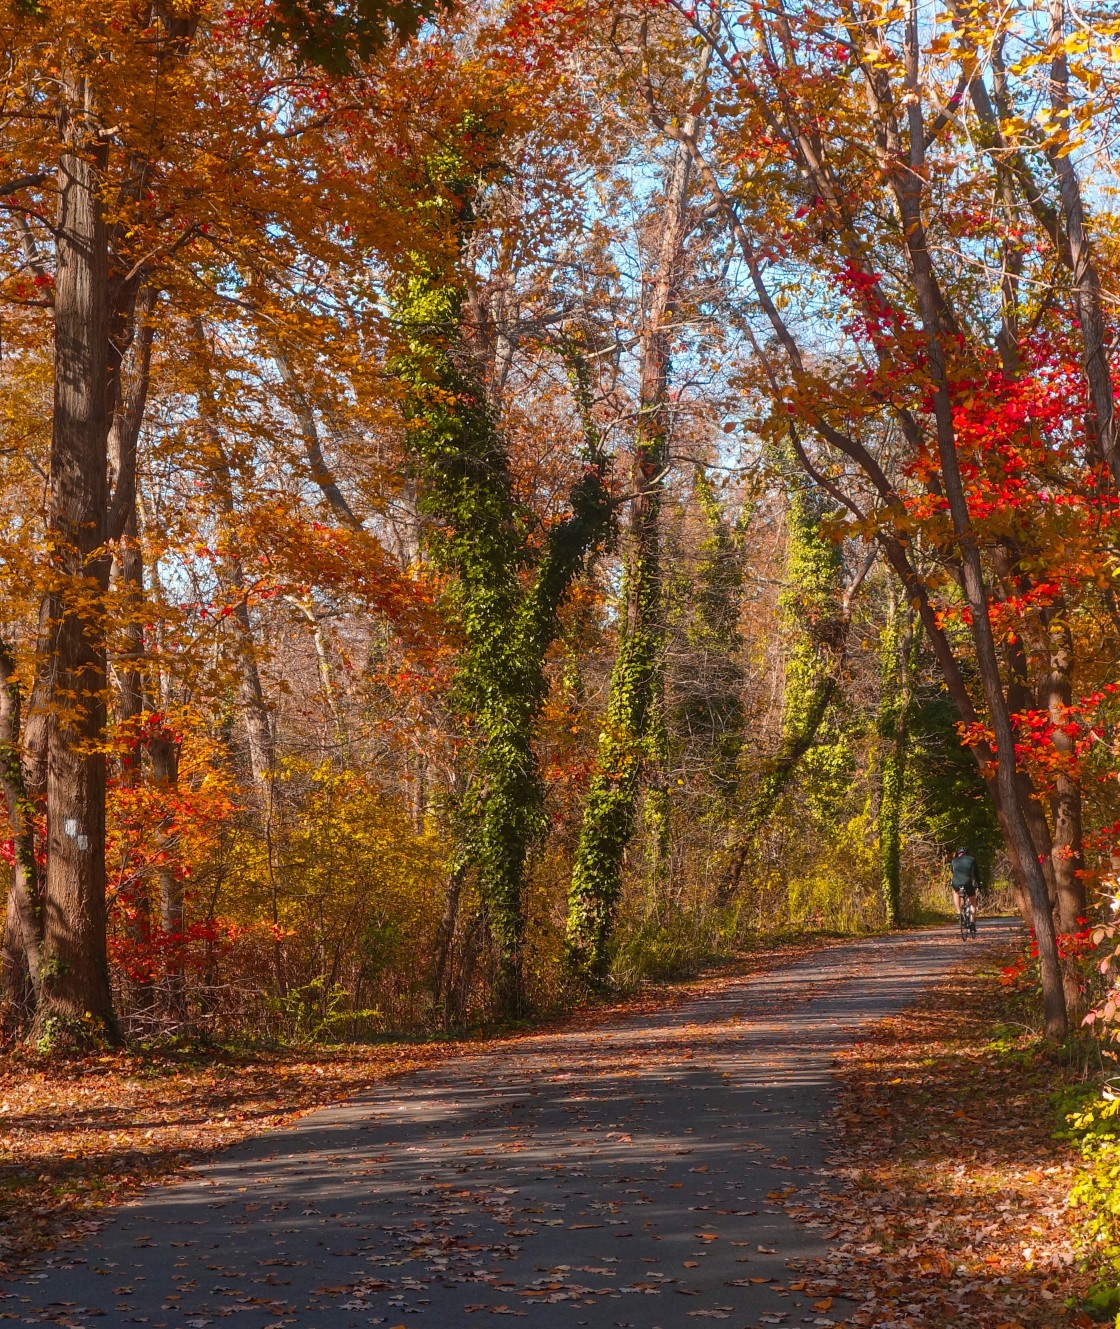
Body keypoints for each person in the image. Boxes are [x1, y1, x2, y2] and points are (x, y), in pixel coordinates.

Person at [950, 848, 980, 933]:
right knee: (973, 902)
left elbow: (953, 872)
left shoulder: (954, 861)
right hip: (967, 882)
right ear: (966, 854)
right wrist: (979, 884)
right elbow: (975, 873)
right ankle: (971, 922)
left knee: (955, 892)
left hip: (956, 882)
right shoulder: (972, 859)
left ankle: (958, 912)